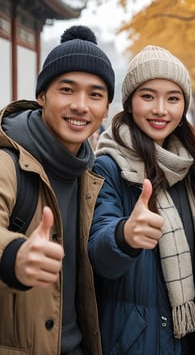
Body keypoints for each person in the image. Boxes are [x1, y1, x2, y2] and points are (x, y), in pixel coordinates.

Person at [88, 45, 195, 355]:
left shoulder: (189, 166)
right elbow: (98, 251)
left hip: (188, 338)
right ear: (130, 103)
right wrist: (125, 236)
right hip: (135, 340)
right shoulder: (108, 165)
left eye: (173, 98)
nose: (161, 109)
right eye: (148, 96)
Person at [0, 25, 115, 355]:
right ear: (42, 96)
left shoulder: (92, 175)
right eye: (67, 90)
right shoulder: (8, 163)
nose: (81, 106)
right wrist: (12, 255)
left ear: (106, 107)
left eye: (95, 95)